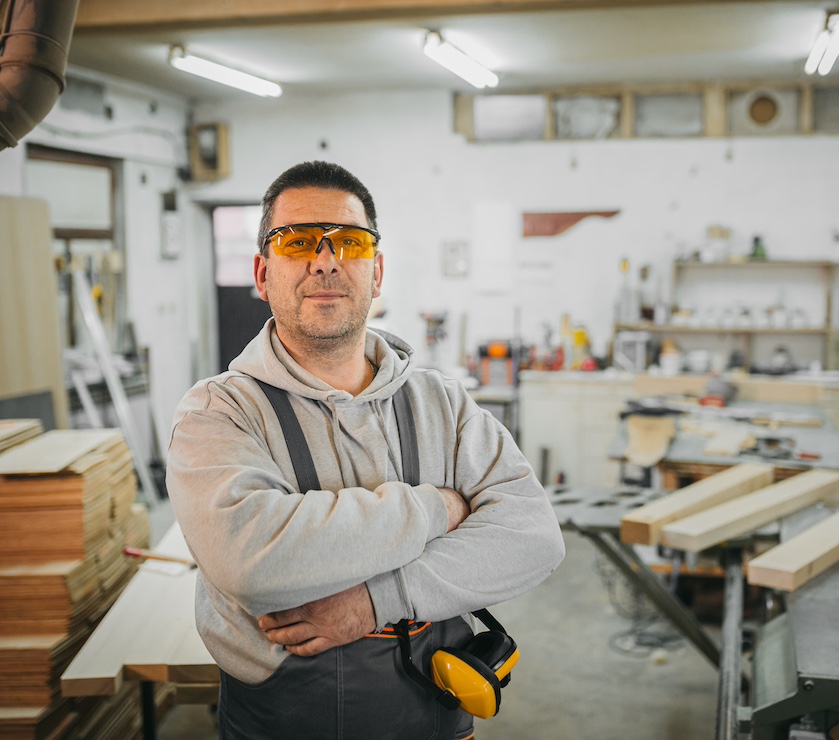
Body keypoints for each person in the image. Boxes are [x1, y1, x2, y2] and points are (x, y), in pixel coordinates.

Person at [165, 160, 565, 740]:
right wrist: (442, 509)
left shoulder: (442, 403)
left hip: (436, 710)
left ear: (376, 273)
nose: (325, 260)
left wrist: (377, 600)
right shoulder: (219, 413)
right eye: (298, 240)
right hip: (283, 721)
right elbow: (252, 562)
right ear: (262, 272)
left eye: (348, 243)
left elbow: (534, 538)